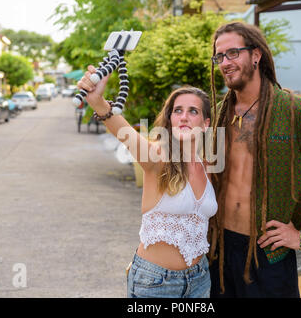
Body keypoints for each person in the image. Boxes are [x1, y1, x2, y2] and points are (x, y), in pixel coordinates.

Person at [207, 22, 301, 298]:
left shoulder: (295, 110)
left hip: (269, 255)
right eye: (219, 57)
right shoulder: (218, 114)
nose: (225, 63)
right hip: (219, 254)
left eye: (233, 53)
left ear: (256, 55)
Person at [77, 68, 217, 298]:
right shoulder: (157, 158)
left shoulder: (208, 166)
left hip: (200, 279)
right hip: (157, 283)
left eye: (193, 111)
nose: (184, 116)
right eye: (178, 111)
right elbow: (123, 131)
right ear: (170, 119)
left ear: (205, 123)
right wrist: (97, 101)